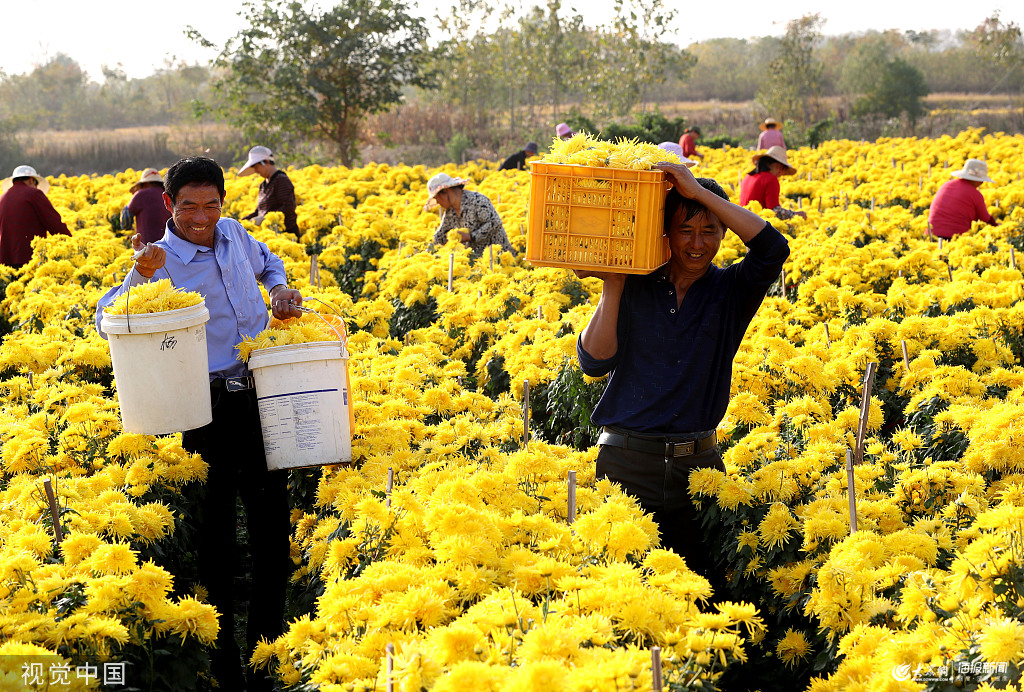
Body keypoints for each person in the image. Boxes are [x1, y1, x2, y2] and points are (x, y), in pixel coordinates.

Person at [94, 156, 302, 692]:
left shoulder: (234, 235)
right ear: (169, 204)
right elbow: (108, 318)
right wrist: (140, 275)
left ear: (223, 203)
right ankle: (223, 659)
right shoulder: (158, 260)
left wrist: (279, 290)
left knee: (271, 529)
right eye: (189, 206)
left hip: (260, 393)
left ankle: (268, 652)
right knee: (216, 540)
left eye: (211, 204)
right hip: (203, 410)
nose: (202, 217)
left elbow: (271, 261)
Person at [576, 161, 790, 597]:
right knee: (623, 592)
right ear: (665, 234)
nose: (697, 243)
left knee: (701, 592)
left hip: (698, 468)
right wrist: (613, 284)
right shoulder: (636, 284)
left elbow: (773, 248)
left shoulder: (731, 290)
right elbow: (594, 362)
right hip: (626, 463)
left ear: (724, 234)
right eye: (685, 230)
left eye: (709, 231)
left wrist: (697, 192)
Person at [0, 165, 71, 268]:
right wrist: (70, 243)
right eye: (36, 183)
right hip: (30, 258)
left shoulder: (2, 198)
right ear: (31, 180)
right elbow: (53, 223)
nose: (37, 187)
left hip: (4, 262)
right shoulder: (34, 194)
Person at [427, 172, 514, 255]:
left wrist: (471, 237)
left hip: (498, 256)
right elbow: (440, 236)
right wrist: (428, 251)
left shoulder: (477, 200)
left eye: (437, 198)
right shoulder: (450, 211)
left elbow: (495, 223)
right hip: (476, 259)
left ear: (446, 191)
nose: (437, 202)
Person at [928, 158, 998, 239]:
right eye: (982, 180)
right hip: (955, 237)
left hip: (931, 234)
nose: (982, 182)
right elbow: (985, 219)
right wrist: (997, 227)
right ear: (978, 180)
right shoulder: (975, 194)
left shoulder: (946, 185)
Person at [239, 145, 299, 235]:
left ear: (266, 162)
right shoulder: (263, 185)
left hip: (285, 233)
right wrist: (240, 222)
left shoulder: (281, 180)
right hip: (270, 233)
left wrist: (265, 218)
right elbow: (259, 211)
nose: (256, 170)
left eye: (256, 166)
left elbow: (288, 207)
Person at [739, 146, 807, 220]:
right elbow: (775, 211)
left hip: (741, 222)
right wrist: (796, 215)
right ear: (778, 166)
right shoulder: (771, 179)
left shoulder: (748, 177)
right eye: (782, 168)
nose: (780, 174)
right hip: (756, 223)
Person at [122, 168, 172, 244]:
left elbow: (126, 218)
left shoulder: (140, 194)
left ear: (144, 184)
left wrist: (129, 228)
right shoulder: (168, 195)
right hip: (168, 244)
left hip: (146, 245)